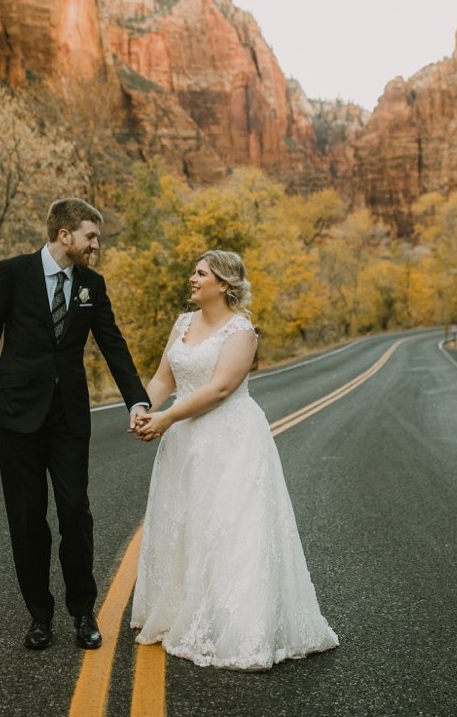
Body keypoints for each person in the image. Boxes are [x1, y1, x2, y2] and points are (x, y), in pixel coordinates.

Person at [130, 250, 338, 670]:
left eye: (201, 273)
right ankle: (180, 611)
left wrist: (167, 417)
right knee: (188, 522)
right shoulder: (182, 324)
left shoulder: (241, 331)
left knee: (229, 526)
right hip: (184, 441)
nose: (192, 278)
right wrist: (141, 407)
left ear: (223, 285)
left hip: (230, 439)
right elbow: (163, 378)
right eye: (193, 271)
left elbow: (221, 388)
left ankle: (240, 628)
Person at [0, 198, 151, 651]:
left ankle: (82, 612)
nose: (96, 245)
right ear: (65, 234)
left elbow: (113, 344)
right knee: (28, 519)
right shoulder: (13, 272)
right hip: (16, 417)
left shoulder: (92, 284)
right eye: (91, 237)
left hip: (69, 416)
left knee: (75, 513)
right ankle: (39, 616)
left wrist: (137, 399)